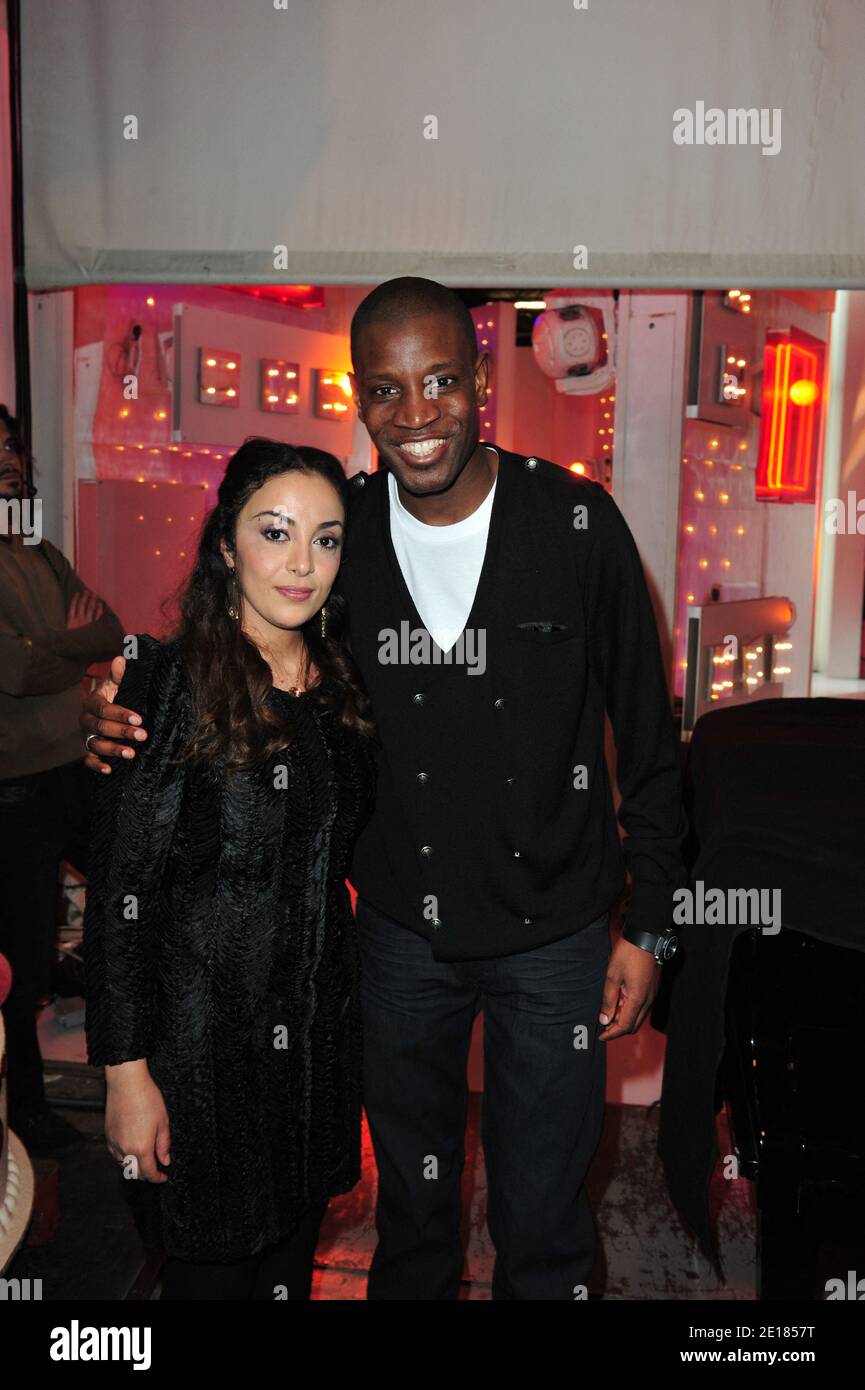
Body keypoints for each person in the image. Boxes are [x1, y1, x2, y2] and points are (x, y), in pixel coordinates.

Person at [82, 278, 688, 1301]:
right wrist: (125, 698)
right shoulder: (343, 533)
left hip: (556, 935)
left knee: (543, 1222)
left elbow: (649, 729)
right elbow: (245, 637)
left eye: (442, 381)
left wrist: (655, 919)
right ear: (360, 398)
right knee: (411, 1221)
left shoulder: (575, 522)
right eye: (387, 390)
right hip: (399, 936)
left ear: (481, 381)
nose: (416, 416)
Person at [82, 440, 376, 1300]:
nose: (300, 562)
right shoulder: (167, 683)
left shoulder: (339, 692)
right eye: (274, 532)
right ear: (225, 545)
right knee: (209, 1277)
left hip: (308, 1052)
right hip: (195, 1060)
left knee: (289, 1266)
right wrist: (125, 1072)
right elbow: (122, 892)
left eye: (325, 539)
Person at [0, 405, 124, 1152]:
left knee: (129, 882)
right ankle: (26, 1113)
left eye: (12, 445)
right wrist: (64, 645)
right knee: (21, 956)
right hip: (13, 788)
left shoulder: (36, 548)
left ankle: (122, 1051)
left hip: (68, 770)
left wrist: (58, 645)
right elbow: (13, 672)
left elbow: (109, 628)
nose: (10, 460)